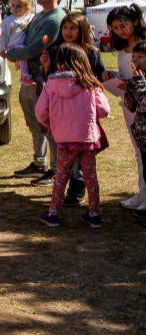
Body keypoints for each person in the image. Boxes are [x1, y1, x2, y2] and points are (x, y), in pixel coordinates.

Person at [36, 44, 110, 228]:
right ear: (83, 62)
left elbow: (40, 112)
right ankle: (94, 214)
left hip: (64, 140)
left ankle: (53, 213)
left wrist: (51, 124)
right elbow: (104, 110)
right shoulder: (91, 85)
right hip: (87, 139)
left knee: (61, 176)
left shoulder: (51, 84)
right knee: (90, 176)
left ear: (59, 62)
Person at [4, 0, 67, 186]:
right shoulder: (39, 16)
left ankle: (56, 169)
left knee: (50, 125)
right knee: (35, 124)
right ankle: (39, 162)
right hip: (30, 79)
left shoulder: (56, 18)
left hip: (45, 80)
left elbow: (35, 48)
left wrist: (13, 55)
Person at [41, 12, 108, 206]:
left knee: (83, 156)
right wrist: (46, 67)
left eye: (73, 28)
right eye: (65, 27)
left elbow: (98, 79)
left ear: (82, 29)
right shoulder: (55, 51)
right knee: (66, 156)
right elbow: (50, 85)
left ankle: (77, 189)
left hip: (84, 113)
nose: (68, 32)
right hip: (62, 113)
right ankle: (74, 190)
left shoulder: (91, 52)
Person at [105, 4, 146, 210]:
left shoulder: (143, 46)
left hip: (143, 106)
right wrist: (112, 77)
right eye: (116, 27)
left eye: (123, 25)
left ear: (135, 22)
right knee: (138, 150)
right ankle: (142, 193)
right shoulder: (121, 50)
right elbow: (125, 74)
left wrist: (128, 83)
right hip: (129, 107)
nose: (120, 30)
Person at [123, 40, 146, 221]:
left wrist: (138, 83)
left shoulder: (141, 81)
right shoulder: (137, 79)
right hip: (142, 135)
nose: (135, 60)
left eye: (141, 57)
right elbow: (131, 106)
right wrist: (130, 87)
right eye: (134, 57)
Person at [0, 0, 35, 85]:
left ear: (27, 8)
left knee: (24, 50)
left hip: (23, 45)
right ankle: (25, 76)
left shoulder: (29, 17)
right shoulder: (8, 21)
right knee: (22, 50)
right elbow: (3, 36)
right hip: (13, 46)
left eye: (19, 6)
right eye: (13, 5)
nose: (15, 8)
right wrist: (2, 49)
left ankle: (19, 62)